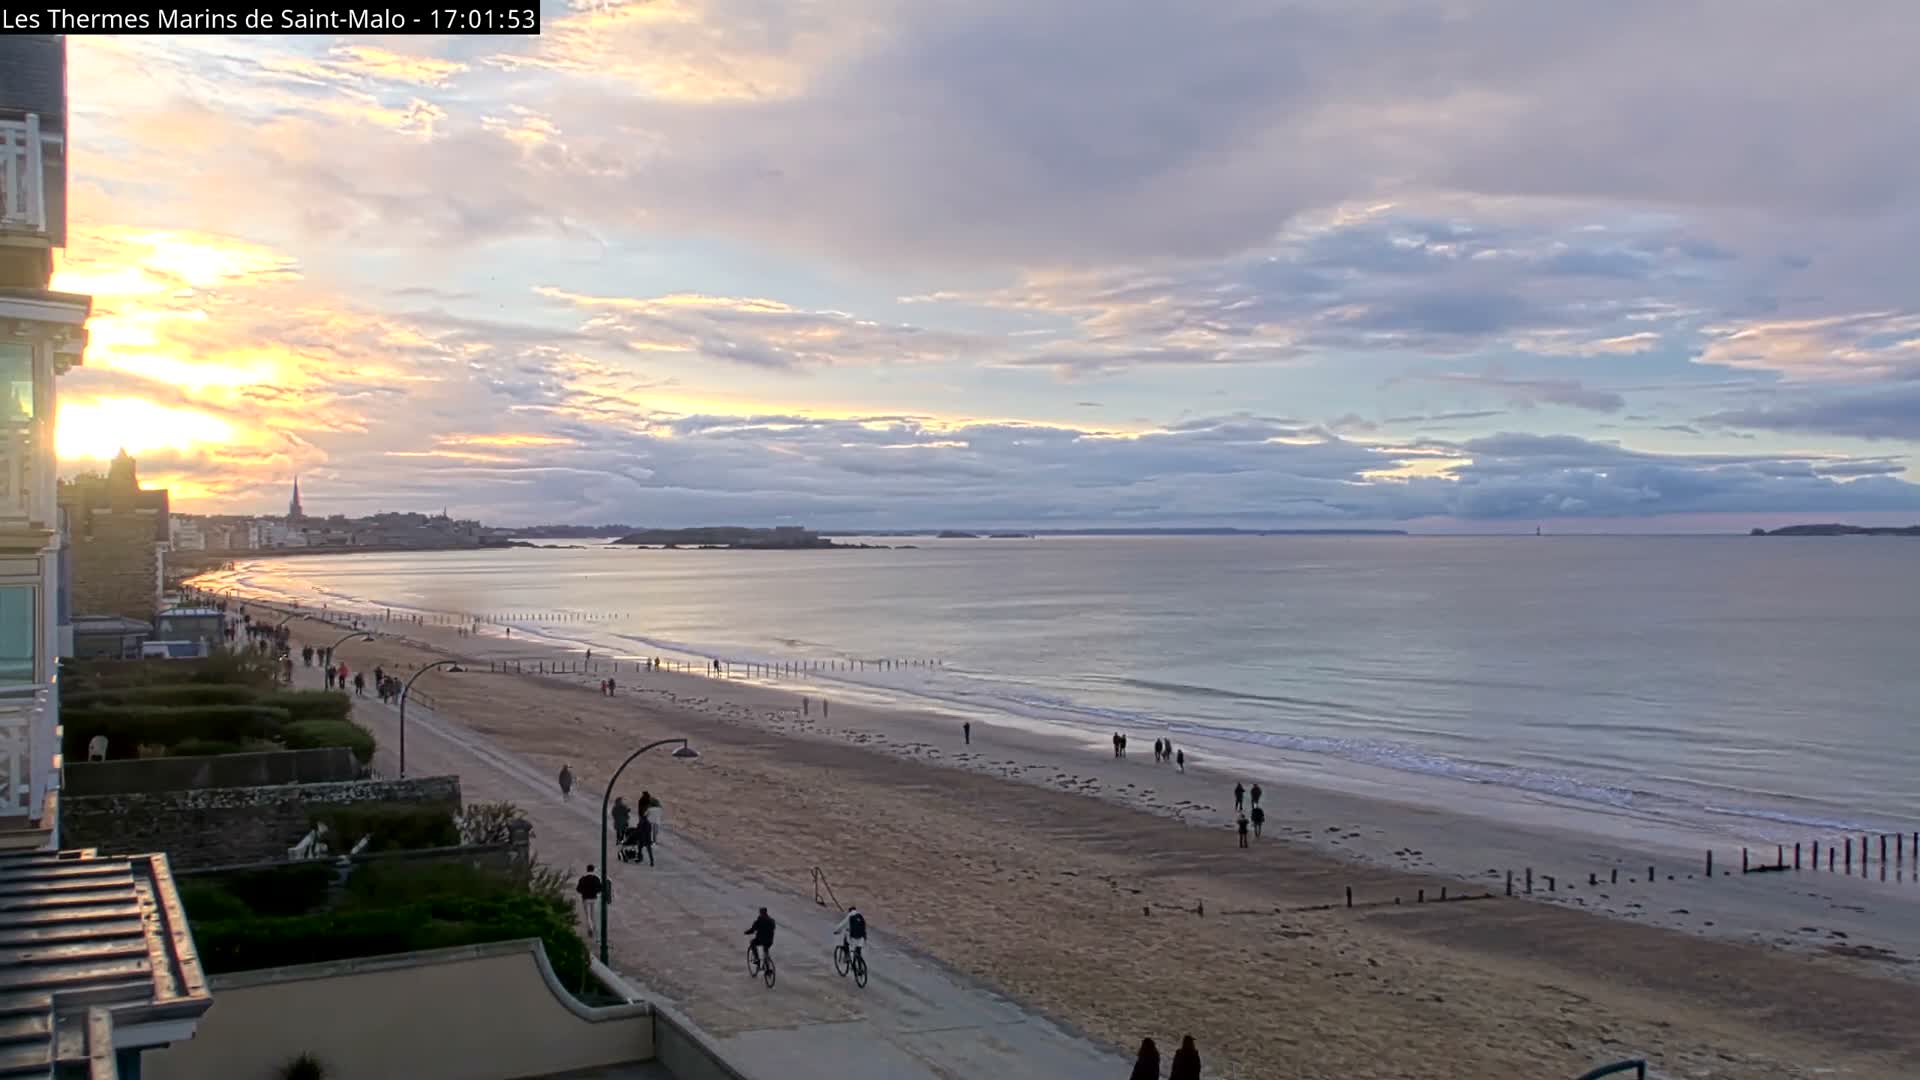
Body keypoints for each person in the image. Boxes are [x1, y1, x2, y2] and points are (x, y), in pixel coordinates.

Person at [576, 865, 603, 938]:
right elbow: (600, 888)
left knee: (588, 915)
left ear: (587, 870)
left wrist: (583, 892)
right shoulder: (596, 878)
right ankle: (593, 928)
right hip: (594, 898)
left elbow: (578, 889)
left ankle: (590, 928)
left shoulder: (583, 878)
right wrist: (595, 892)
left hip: (586, 899)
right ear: (593, 870)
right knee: (593, 914)